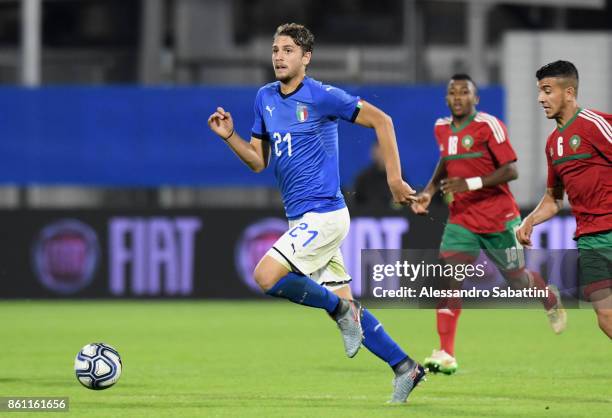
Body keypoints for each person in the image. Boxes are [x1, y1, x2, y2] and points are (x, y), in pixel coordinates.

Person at [207, 23, 425, 403]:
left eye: (288, 50)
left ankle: (339, 309)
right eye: (275, 49)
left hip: (324, 215)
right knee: (349, 306)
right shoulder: (264, 98)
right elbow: (258, 161)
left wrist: (394, 178)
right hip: (302, 218)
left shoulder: (321, 96)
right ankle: (404, 367)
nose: (279, 56)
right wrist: (230, 137)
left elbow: (382, 120)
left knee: (266, 275)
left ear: (306, 58)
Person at [411, 74, 567, 375]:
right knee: (448, 277)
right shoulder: (441, 128)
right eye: (452, 92)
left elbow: (511, 170)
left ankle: (548, 296)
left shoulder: (489, 125)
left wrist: (468, 183)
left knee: (518, 281)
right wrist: (430, 191)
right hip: (462, 219)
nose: (458, 97)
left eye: (464, 92)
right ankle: (446, 352)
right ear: (446, 99)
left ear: (475, 98)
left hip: (498, 217)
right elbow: (447, 160)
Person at [517, 60, 612, 338]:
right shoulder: (552, 144)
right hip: (590, 240)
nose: (540, 99)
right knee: (605, 318)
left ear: (569, 92)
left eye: (547, 91)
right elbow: (553, 198)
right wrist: (530, 220)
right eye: (539, 91)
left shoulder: (594, 124)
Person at [353, 142, 394, 208]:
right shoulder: (364, 177)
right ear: (373, 154)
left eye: (385, 152)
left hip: (393, 216)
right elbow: (356, 202)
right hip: (367, 215)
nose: (382, 156)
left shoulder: (398, 177)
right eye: (380, 152)